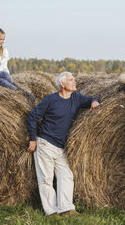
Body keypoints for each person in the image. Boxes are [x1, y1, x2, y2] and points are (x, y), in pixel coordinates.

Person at [26, 72, 100, 216]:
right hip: (45, 143)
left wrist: (94, 101)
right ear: (62, 84)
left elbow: (93, 98)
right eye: (71, 80)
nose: (74, 82)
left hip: (61, 146)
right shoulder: (50, 100)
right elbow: (32, 117)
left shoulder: (76, 98)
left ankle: (66, 208)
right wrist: (33, 139)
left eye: (74, 79)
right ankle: (52, 211)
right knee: (46, 179)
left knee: (66, 176)